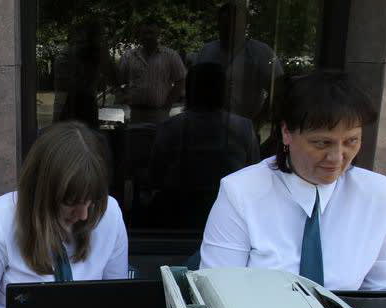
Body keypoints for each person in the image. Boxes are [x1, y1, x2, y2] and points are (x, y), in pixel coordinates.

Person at [200, 70, 386, 292]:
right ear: (287, 133)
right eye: (322, 143)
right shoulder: (241, 192)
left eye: (351, 141)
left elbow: (384, 290)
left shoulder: (376, 194)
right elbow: (217, 290)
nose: (337, 157)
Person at [0, 120, 128, 308]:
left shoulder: (110, 213)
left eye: (91, 202)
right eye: (71, 202)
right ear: (40, 192)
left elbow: (115, 302)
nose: (84, 215)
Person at [150, 62, 259, 229]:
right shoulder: (243, 127)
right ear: (223, 91)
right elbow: (253, 173)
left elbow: (155, 176)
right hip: (228, 217)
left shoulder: (171, 127)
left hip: (178, 216)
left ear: (190, 90)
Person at [195, 1, 283, 131]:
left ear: (246, 25)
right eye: (225, 23)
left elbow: (279, 90)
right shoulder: (207, 51)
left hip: (245, 127)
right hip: (209, 127)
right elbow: (196, 89)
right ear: (218, 24)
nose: (229, 28)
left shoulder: (261, 53)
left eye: (234, 24)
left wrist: (256, 124)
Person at [117, 21, 186, 124]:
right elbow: (117, 80)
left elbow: (181, 81)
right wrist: (123, 96)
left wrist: (168, 105)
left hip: (160, 114)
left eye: (151, 32)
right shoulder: (129, 56)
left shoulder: (171, 56)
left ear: (158, 34)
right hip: (135, 113)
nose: (148, 36)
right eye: (144, 33)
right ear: (139, 35)